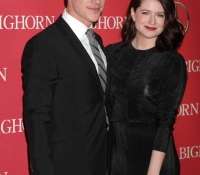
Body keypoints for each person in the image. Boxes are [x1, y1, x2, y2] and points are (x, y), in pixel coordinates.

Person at [22, 0, 110, 174]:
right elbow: (38, 119)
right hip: (67, 167)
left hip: (102, 162)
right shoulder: (44, 44)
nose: (97, 1)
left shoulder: (96, 41)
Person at [106, 0, 187, 174]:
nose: (152, 21)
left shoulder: (171, 61)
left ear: (167, 20)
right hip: (117, 153)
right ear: (133, 13)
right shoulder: (111, 54)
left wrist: (153, 171)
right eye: (145, 13)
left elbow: (165, 122)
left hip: (154, 158)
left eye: (160, 15)